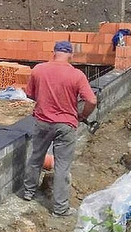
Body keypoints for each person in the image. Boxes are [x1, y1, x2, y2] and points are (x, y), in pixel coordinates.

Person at [22, 41, 97, 217]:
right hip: (66, 125)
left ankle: (28, 193)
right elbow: (92, 100)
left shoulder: (39, 69)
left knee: (36, 158)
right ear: (70, 55)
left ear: (53, 52)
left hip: (42, 122)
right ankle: (60, 209)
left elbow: (29, 93)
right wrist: (83, 116)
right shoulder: (76, 75)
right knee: (62, 166)